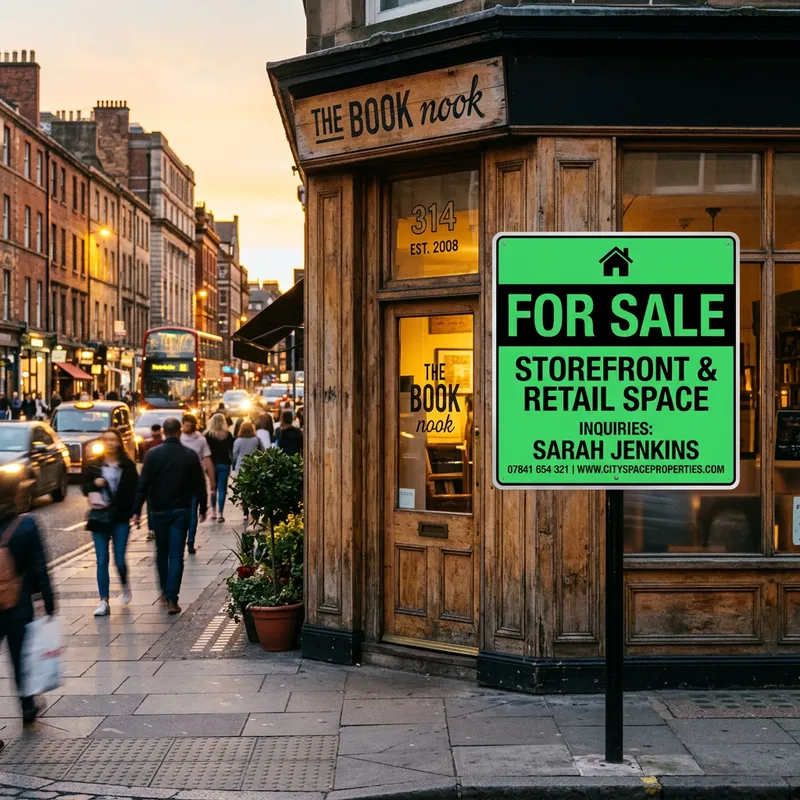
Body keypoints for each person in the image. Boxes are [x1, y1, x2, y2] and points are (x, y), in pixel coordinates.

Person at [133, 418, 207, 614]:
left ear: (164, 432)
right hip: (181, 510)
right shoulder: (189, 455)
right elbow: (199, 484)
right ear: (179, 431)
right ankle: (173, 598)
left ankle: (165, 592)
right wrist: (204, 507)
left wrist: (136, 510)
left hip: (159, 510)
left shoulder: (152, 455)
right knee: (176, 555)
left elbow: (143, 483)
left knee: (162, 552)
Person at [0, 485, 56, 727]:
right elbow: (39, 566)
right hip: (17, 602)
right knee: (20, 655)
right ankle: (27, 705)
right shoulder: (26, 525)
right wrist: (49, 600)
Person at [81, 429, 138, 617]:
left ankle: (124, 583)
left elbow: (135, 491)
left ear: (119, 443)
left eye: (113, 440)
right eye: (106, 440)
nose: (110, 443)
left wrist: (135, 512)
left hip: (120, 517)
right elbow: (83, 488)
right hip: (100, 517)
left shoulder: (127, 465)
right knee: (102, 559)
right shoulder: (94, 465)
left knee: (119, 560)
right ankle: (104, 600)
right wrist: (94, 484)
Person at [180, 414, 215, 555]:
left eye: (190, 425)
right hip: (179, 482)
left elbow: (207, 460)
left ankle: (190, 542)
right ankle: (181, 540)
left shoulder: (201, 440)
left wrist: (212, 481)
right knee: (182, 513)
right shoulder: (178, 439)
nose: (187, 427)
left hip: (195, 481)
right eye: (185, 424)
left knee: (193, 514)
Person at [205, 413, 233, 523]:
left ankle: (213, 511)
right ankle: (221, 513)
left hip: (211, 464)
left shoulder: (207, 435)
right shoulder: (228, 434)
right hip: (224, 464)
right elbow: (231, 450)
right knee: (222, 489)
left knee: (212, 488)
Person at [232, 421, 261, 528]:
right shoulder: (256, 440)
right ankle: (254, 508)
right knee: (253, 489)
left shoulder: (238, 441)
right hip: (253, 466)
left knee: (243, 490)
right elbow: (261, 451)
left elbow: (234, 455)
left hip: (241, 467)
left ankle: (245, 512)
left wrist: (234, 466)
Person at [140, 424, 165, 542]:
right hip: (162, 480)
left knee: (150, 507)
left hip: (151, 481)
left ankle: (151, 530)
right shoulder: (164, 444)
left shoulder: (147, 445)